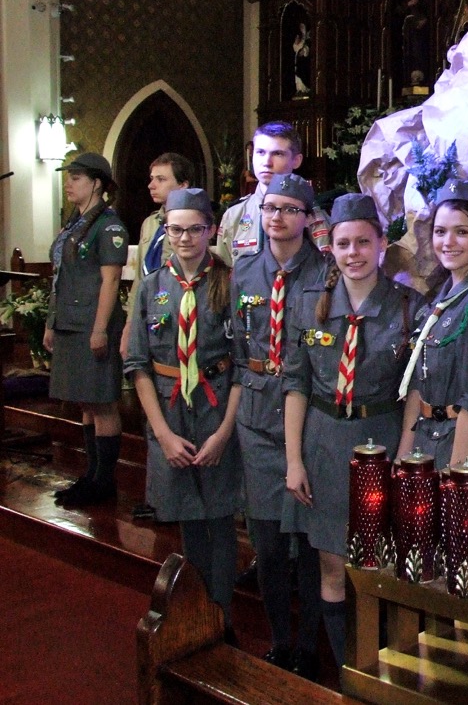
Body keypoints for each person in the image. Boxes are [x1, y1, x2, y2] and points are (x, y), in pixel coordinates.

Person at [283, 193, 421, 668]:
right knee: (331, 564)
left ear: (382, 244)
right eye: (343, 244)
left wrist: (405, 454)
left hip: (380, 443)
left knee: (381, 564)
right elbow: (296, 385)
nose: (353, 253)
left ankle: (386, 667)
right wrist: (294, 460)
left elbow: (416, 391)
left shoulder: (408, 307)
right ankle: (348, 666)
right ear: (331, 248)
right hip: (323, 445)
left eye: (363, 242)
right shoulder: (310, 306)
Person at [124, 188, 243, 639]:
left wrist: (224, 432)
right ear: (165, 230)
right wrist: (162, 434)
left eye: (196, 228)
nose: (186, 238)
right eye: (176, 229)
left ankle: (223, 616)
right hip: (170, 413)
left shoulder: (229, 283)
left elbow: (243, 365)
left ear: (211, 229)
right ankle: (195, 613)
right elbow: (137, 365)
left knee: (219, 519)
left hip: (215, 413)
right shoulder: (152, 286)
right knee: (189, 520)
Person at [230, 173, 326, 678]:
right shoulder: (244, 273)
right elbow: (234, 349)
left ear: (308, 219)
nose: (277, 217)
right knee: (266, 542)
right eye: (271, 208)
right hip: (257, 417)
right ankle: (280, 639)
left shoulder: (327, 274)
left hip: (308, 422)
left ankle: (309, 645)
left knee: (309, 545)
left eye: (290, 209)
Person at [398, 179, 468, 469]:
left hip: (458, 449)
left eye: (461, 232)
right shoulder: (440, 297)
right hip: (425, 441)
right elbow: (417, 385)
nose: (448, 242)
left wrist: (456, 476)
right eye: (440, 232)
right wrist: (404, 458)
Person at [45, 152, 128, 506]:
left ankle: (104, 481)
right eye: (68, 177)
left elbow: (110, 282)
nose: (69, 183)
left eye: (76, 177)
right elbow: (59, 277)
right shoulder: (74, 224)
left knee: (102, 402)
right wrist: (51, 322)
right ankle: (91, 475)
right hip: (69, 321)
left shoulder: (108, 226)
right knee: (85, 402)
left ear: (97, 183)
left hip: (92, 323)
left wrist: (100, 329)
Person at [216, 121, 330, 266]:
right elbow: (223, 276)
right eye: (260, 152)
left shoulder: (311, 216)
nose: (267, 162)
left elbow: (326, 273)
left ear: (296, 160)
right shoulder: (235, 215)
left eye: (277, 154)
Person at [121, 153, 195, 359]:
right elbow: (139, 278)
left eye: (161, 179)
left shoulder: (193, 225)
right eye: (152, 178)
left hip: (177, 311)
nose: (151, 185)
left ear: (182, 185)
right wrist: (130, 323)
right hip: (146, 309)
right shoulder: (150, 223)